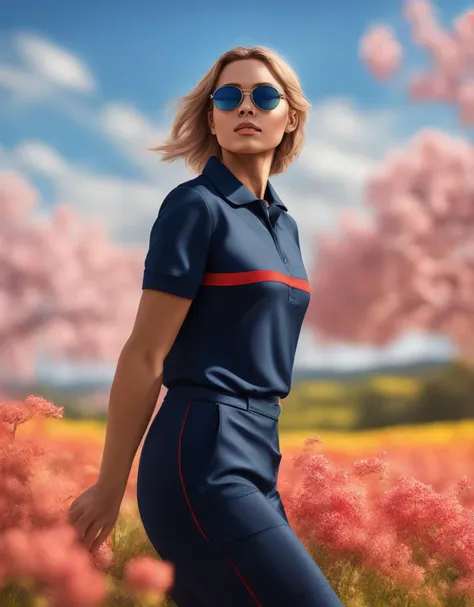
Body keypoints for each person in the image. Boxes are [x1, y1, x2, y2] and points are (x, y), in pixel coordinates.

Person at [67, 46, 344, 607]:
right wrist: (109, 484)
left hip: (260, 455)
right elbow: (145, 354)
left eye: (264, 96)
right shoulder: (194, 207)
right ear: (212, 118)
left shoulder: (284, 227)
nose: (246, 106)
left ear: (289, 117)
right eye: (228, 96)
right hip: (200, 457)